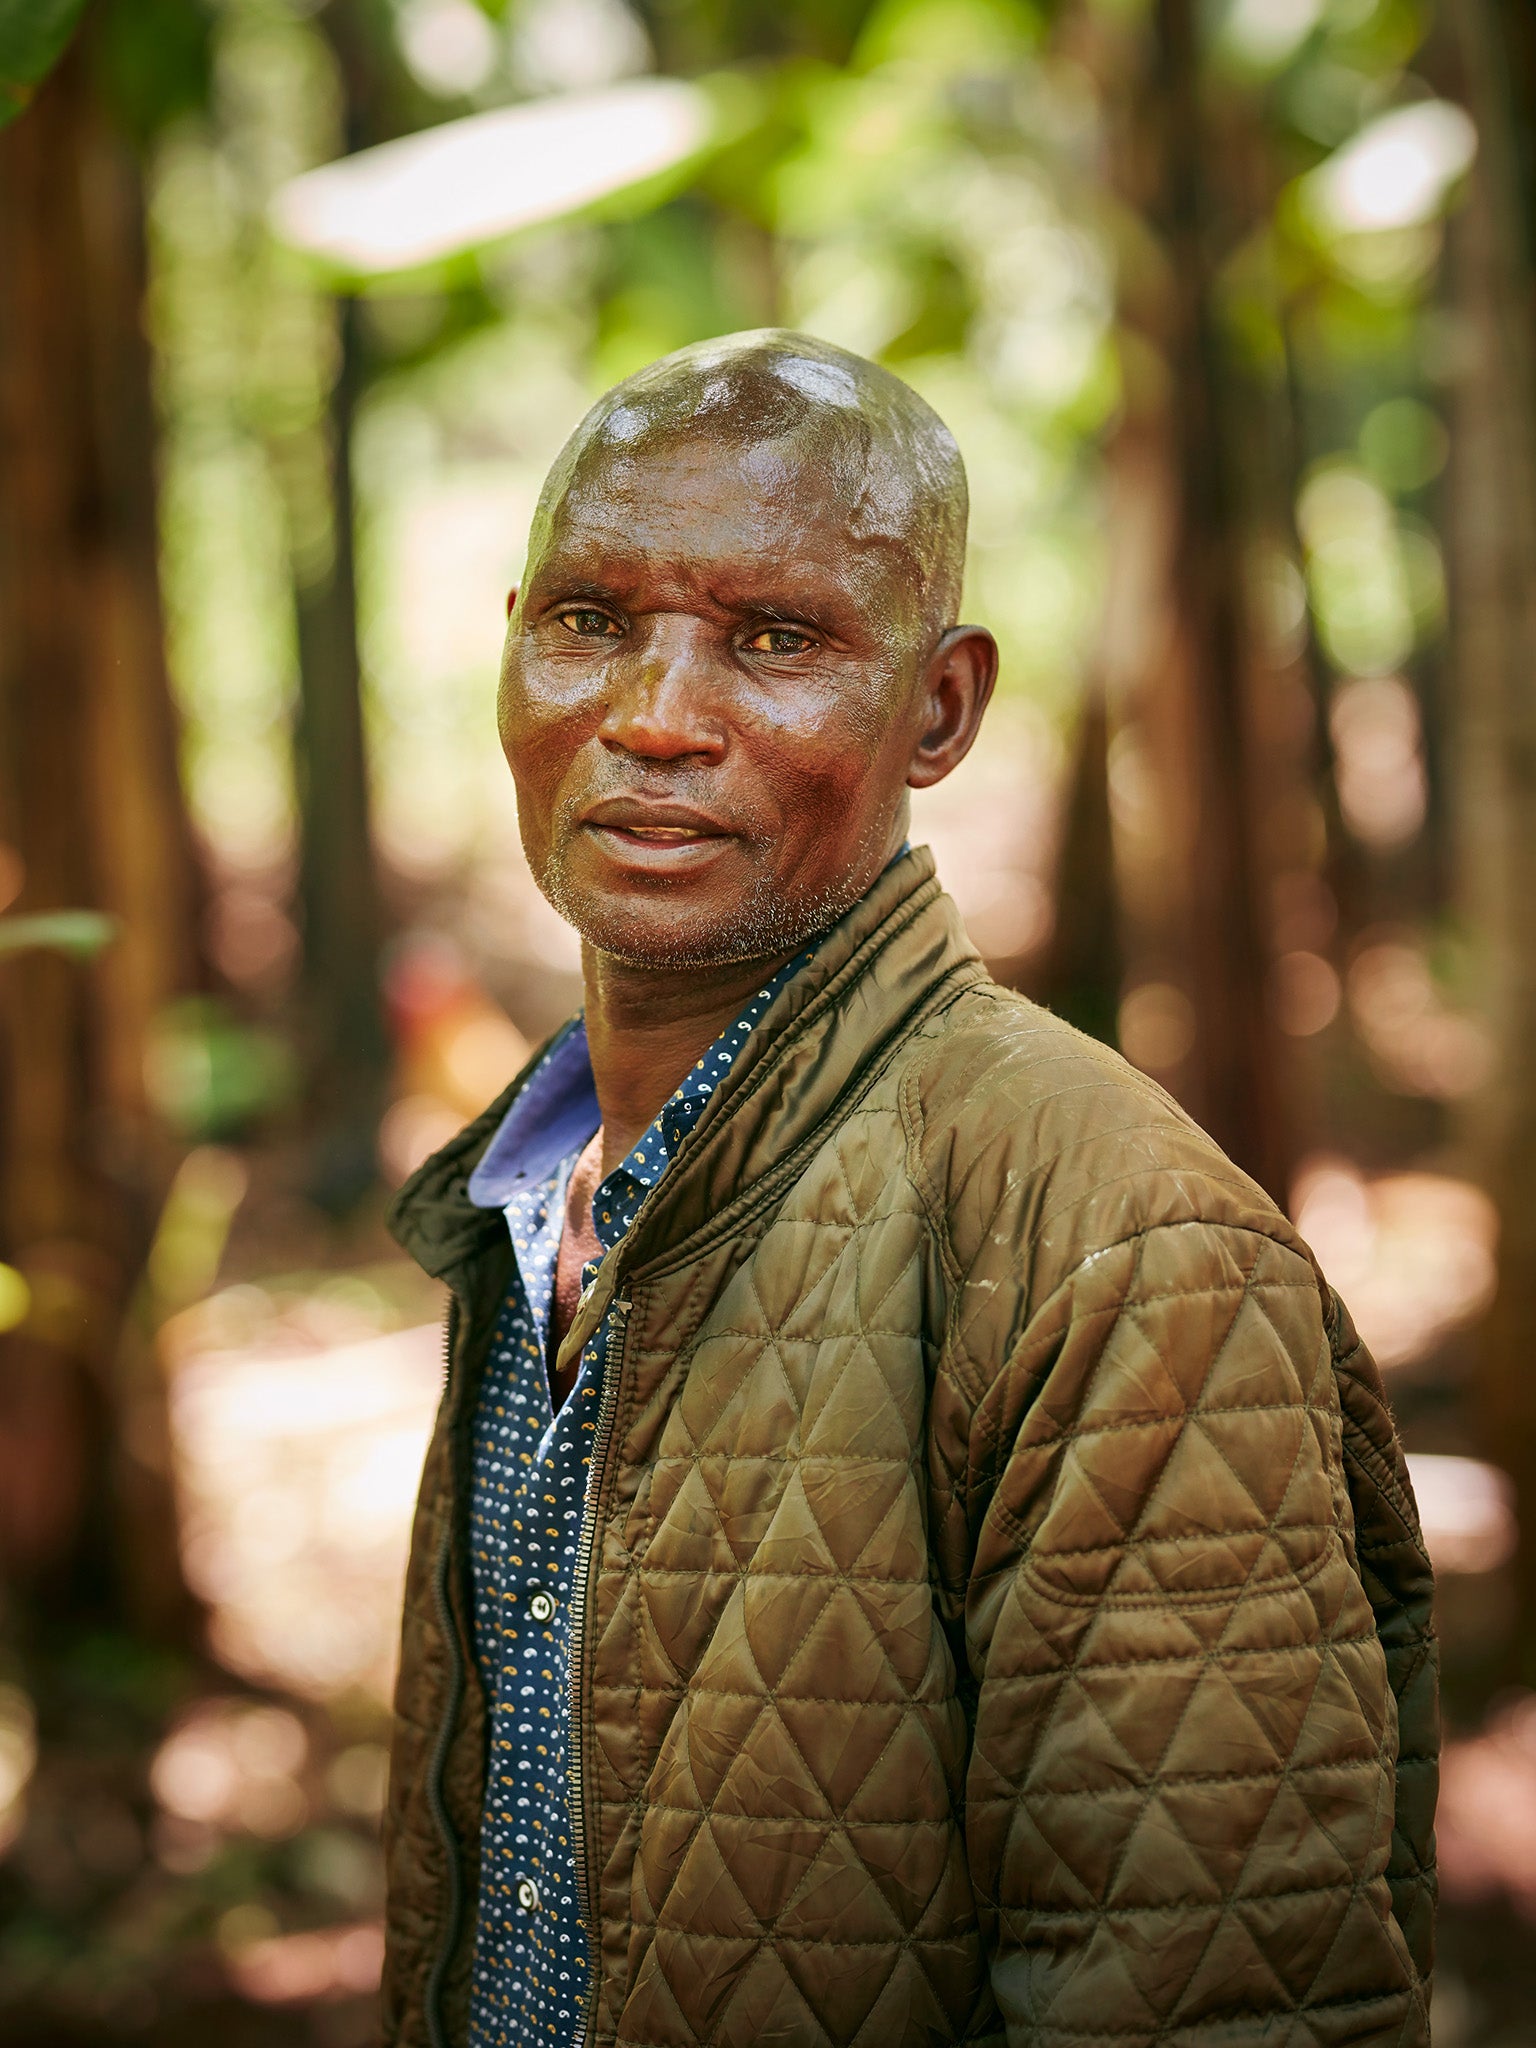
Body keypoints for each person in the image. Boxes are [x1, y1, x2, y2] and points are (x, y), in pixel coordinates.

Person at [382, 330, 1436, 2048]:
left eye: (775, 639)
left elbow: (1216, 1993)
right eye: (589, 621)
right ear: (512, 648)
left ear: (936, 708)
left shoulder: (1115, 1241)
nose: (651, 718)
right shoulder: (525, 1200)